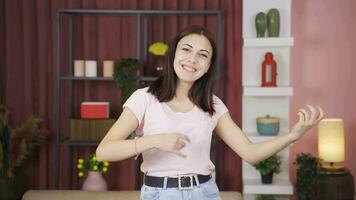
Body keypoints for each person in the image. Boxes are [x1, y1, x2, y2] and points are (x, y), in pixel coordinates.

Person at [96, 25, 323, 200]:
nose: (193, 59)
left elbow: (250, 153)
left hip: (204, 192)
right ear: (173, 53)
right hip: (160, 193)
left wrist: (293, 136)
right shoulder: (144, 98)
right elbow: (103, 151)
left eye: (203, 55)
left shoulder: (213, 105)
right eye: (186, 49)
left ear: (208, 66)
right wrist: (152, 141)